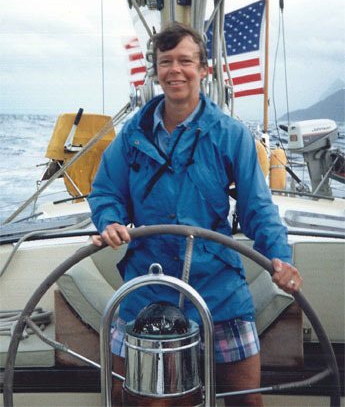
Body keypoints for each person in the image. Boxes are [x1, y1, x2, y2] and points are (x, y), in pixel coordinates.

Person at [88, 22, 302, 407]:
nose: (175, 70)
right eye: (165, 61)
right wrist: (110, 221)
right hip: (148, 286)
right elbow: (106, 192)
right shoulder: (131, 135)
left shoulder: (231, 135)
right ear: (155, 71)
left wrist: (280, 260)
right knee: (135, 397)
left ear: (204, 69)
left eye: (185, 60)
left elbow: (257, 208)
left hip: (218, 284)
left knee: (246, 400)